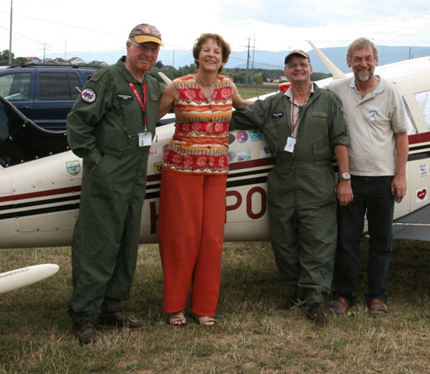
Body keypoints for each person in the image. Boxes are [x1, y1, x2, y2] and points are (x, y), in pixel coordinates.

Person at [230, 50, 351, 327]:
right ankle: (294, 291)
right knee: (283, 239)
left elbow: (340, 140)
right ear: (286, 72)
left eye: (302, 64)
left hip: (317, 176)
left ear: (310, 69)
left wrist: (344, 178)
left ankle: (315, 299)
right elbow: (239, 114)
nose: (298, 68)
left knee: (318, 240)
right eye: (292, 65)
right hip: (283, 177)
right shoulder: (272, 103)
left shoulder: (328, 101)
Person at [66, 23, 163, 344]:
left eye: (153, 49)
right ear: (128, 46)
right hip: (107, 176)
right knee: (97, 245)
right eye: (142, 47)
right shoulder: (107, 79)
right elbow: (79, 123)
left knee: (125, 245)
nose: (148, 53)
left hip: (135, 176)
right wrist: (97, 163)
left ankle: (112, 308)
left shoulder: (151, 82)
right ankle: (83, 315)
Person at [156, 33, 250, 328]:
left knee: (212, 239)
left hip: (217, 172)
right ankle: (174, 307)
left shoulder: (227, 86)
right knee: (182, 238)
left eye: (217, 51)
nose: (211, 55)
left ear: (223, 58)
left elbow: (244, 106)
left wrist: (282, 101)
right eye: (206, 50)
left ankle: (204, 307)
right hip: (181, 171)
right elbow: (148, 120)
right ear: (197, 56)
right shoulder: (177, 87)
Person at [327, 37, 408, 317]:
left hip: (383, 179)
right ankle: (343, 295)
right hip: (350, 179)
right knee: (346, 240)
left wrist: (400, 176)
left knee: (381, 241)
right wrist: (344, 179)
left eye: (368, 58)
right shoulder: (337, 90)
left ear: (376, 60)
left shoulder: (391, 92)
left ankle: (377, 296)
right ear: (348, 62)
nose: (363, 64)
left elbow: (401, 135)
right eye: (357, 59)